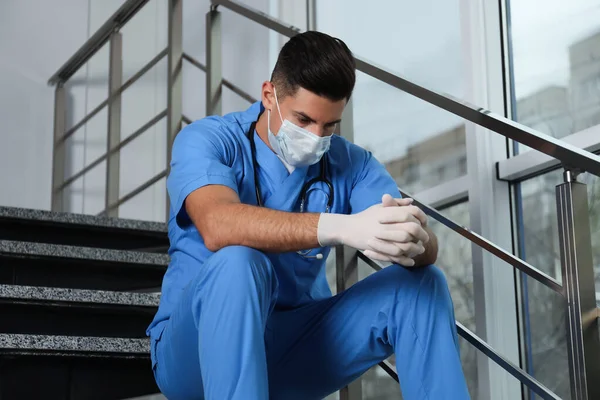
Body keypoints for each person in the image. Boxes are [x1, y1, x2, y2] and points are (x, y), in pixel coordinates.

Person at [147, 31, 470, 400]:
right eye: (303, 120)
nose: (317, 138)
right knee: (238, 261)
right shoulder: (208, 140)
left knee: (423, 285)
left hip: (292, 349)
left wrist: (414, 238)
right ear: (269, 95)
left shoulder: (351, 163)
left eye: (329, 126)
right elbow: (218, 225)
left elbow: (422, 248)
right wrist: (338, 227)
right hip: (195, 355)